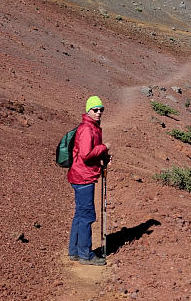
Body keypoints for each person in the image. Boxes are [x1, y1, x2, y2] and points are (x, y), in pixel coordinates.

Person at [67, 95, 111, 265]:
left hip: (80, 175)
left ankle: (74, 251)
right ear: (88, 110)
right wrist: (104, 147)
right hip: (83, 177)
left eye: (101, 109)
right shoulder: (87, 129)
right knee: (86, 216)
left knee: (79, 215)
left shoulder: (92, 126)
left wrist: (103, 154)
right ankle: (86, 255)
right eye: (95, 110)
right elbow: (86, 155)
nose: (99, 112)